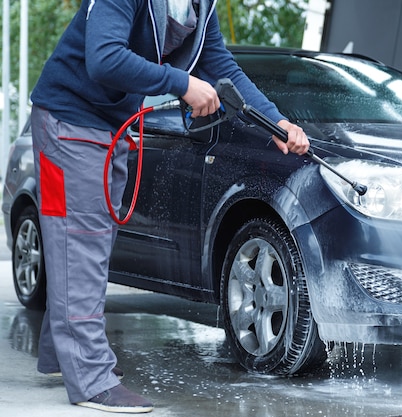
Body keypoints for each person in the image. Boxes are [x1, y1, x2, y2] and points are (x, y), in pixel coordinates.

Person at [29, 0, 309, 413]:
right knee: (81, 244)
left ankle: (62, 356)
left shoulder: (200, 5)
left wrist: (276, 124)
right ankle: (89, 378)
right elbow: (103, 58)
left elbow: (222, 67)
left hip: (108, 127)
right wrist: (181, 83)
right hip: (69, 123)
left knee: (91, 245)